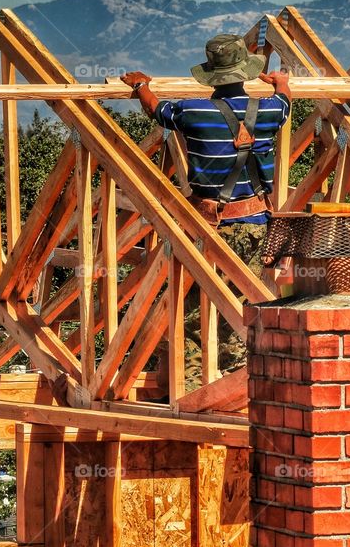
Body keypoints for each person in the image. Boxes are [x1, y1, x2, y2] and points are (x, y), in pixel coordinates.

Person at [121, 34, 291, 386]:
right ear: (246, 72)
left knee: (193, 308)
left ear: (211, 75)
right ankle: (236, 385)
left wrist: (140, 85)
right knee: (243, 303)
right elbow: (286, 103)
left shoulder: (192, 111)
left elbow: (158, 110)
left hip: (209, 229)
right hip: (256, 226)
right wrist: (283, 83)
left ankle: (193, 387)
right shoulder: (272, 111)